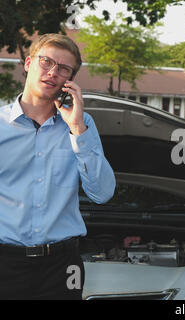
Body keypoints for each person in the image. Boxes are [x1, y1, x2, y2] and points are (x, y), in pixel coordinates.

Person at [0, 34, 116, 299]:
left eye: (63, 69)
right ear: (29, 63)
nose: (53, 72)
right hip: (4, 262)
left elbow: (103, 193)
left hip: (63, 266)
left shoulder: (82, 124)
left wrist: (77, 129)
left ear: (70, 79)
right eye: (46, 62)